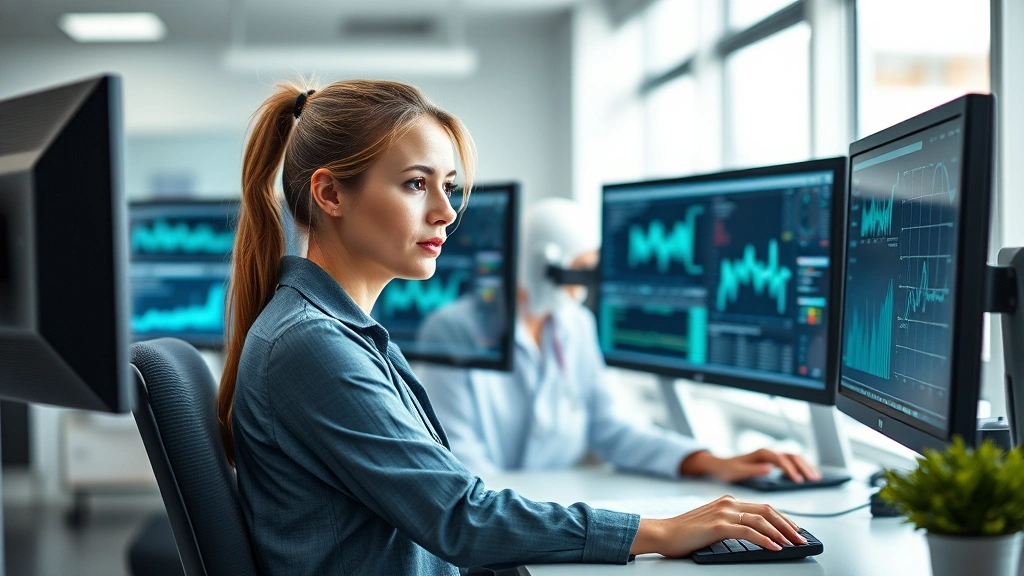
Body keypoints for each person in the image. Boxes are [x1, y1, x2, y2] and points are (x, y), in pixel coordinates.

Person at [217, 79, 807, 576]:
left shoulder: (337, 332)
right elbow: (459, 518)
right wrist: (656, 531)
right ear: (329, 193)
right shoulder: (311, 344)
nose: (446, 212)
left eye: (448, 187)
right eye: (416, 184)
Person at [418, 197, 822, 483]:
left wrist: (712, 461)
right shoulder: (453, 329)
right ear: (544, 264)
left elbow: (610, 428)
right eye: (579, 268)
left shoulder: (575, 325)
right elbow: (463, 465)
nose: (583, 283)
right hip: (497, 525)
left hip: (547, 509)